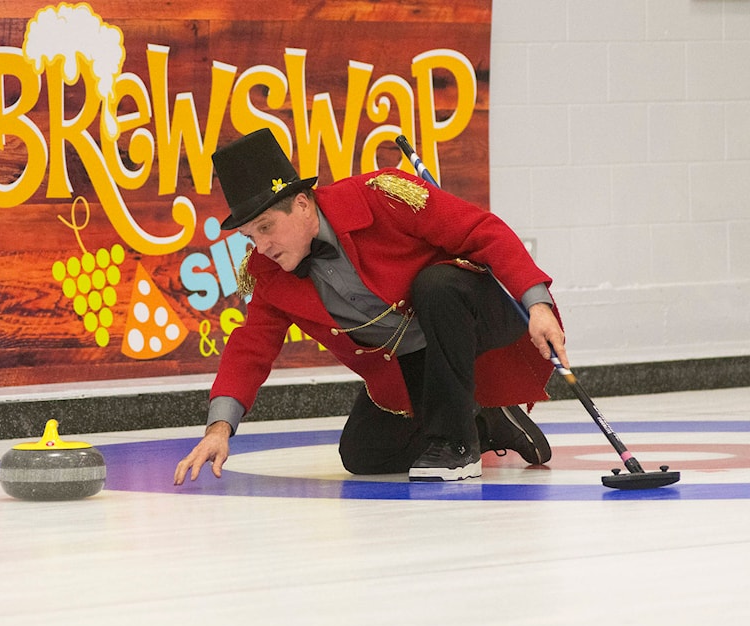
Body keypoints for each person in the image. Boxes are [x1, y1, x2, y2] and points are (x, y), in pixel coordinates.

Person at [173, 128, 568, 485]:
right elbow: (250, 348)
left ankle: (458, 445)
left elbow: (483, 231)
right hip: (413, 358)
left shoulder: (383, 195)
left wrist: (537, 304)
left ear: (303, 205)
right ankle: (487, 421)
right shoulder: (269, 274)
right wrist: (218, 429)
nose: (261, 247)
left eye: (266, 227)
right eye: (249, 235)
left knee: (436, 285)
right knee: (363, 453)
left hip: (478, 317)